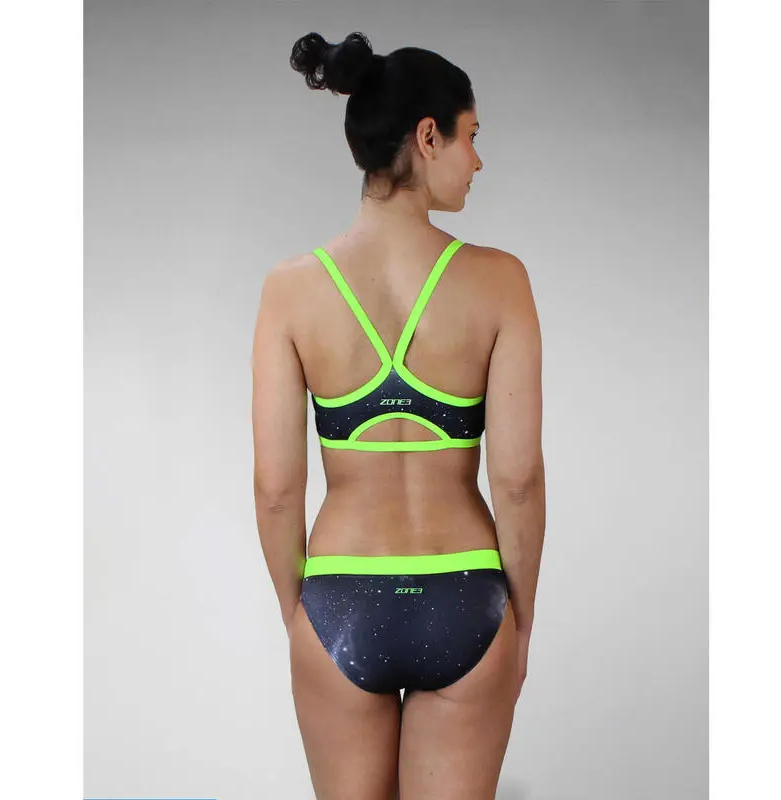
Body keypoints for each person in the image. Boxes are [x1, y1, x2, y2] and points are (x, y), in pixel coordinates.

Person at [251, 30, 545, 800]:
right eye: (471, 135)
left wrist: (299, 618)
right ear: (428, 137)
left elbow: (276, 490)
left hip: (340, 596)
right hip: (466, 597)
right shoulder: (501, 282)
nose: (478, 160)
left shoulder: (289, 290)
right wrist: (520, 620)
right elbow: (517, 480)